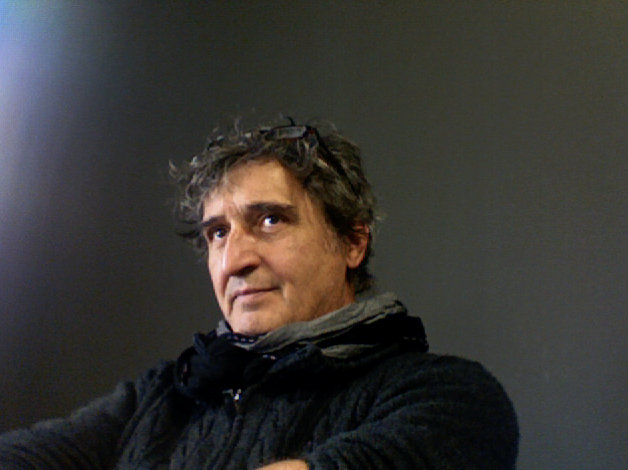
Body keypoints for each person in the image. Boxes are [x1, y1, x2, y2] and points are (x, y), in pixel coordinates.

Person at [0, 118, 519, 469]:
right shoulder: (161, 397)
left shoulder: (449, 397)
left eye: (270, 220)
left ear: (352, 242)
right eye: (217, 233)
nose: (234, 260)